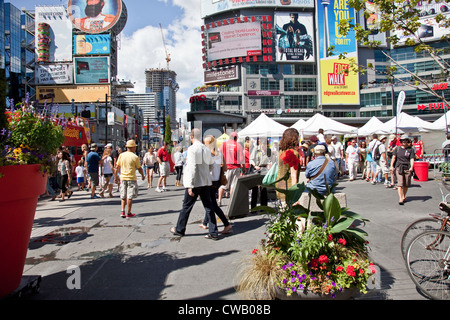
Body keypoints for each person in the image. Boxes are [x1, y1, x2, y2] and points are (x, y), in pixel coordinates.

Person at [170, 128, 219, 240]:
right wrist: (206, 173)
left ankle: (180, 229)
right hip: (205, 182)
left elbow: (192, 168)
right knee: (209, 207)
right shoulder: (206, 149)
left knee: (186, 206)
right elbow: (211, 164)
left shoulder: (192, 149)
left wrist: (190, 185)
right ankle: (213, 231)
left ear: (191, 137)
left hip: (195, 182)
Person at [200, 135, 232, 234]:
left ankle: (226, 224)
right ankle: (206, 223)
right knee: (211, 202)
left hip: (209, 182)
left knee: (212, 204)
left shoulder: (207, 154)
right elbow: (225, 168)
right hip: (217, 181)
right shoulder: (219, 154)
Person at [114, 140, 145, 218]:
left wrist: (115, 177)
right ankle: (128, 212)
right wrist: (142, 175)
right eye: (135, 147)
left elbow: (117, 167)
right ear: (133, 147)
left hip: (123, 178)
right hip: (131, 178)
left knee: (123, 195)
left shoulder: (121, 155)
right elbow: (139, 168)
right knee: (130, 196)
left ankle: (122, 211)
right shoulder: (135, 157)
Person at [276, 128, 301, 203]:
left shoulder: (281, 152)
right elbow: (293, 175)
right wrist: (294, 195)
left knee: (282, 210)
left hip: (279, 185)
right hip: (288, 187)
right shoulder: (293, 153)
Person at [390, 135, 416, 205]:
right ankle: (400, 198)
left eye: (405, 140)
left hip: (407, 167)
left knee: (406, 184)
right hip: (399, 167)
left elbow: (412, 159)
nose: (404, 142)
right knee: (400, 184)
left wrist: (411, 167)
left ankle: (404, 195)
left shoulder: (411, 150)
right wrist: (391, 166)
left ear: (408, 141)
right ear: (401, 142)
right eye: (403, 141)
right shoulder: (397, 149)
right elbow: (394, 157)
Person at [219, 132, 244, 202]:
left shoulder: (223, 144)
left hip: (225, 168)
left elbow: (219, 155)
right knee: (233, 185)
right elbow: (241, 159)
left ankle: (219, 200)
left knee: (223, 185)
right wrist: (243, 168)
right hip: (236, 168)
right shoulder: (238, 145)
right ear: (236, 138)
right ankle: (231, 202)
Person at [250, 139, 271, 209]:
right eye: (263, 144)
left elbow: (271, 160)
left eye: (265, 144)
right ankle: (253, 208)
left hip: (264, 170)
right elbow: (251, 159)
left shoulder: (268, 151)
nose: (264, 146)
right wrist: (255, 165)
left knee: (264, 189)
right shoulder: (256, 149)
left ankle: (263, 207)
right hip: (256, 170)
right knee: (255, 189)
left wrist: (269, 164)